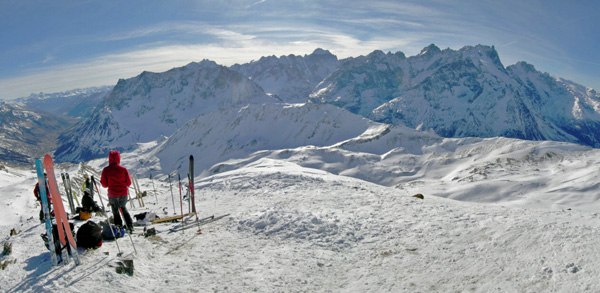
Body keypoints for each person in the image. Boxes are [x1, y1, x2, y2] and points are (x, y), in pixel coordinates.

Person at [100, 150, 134, 233]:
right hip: (123, 193)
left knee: (115, 210)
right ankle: (129, 226)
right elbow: (129, 183)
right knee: (123, 208)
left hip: (113, 194)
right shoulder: (123, 169)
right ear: (119, 158)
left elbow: (104, 184)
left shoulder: (106, 170)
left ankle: (119, 227)